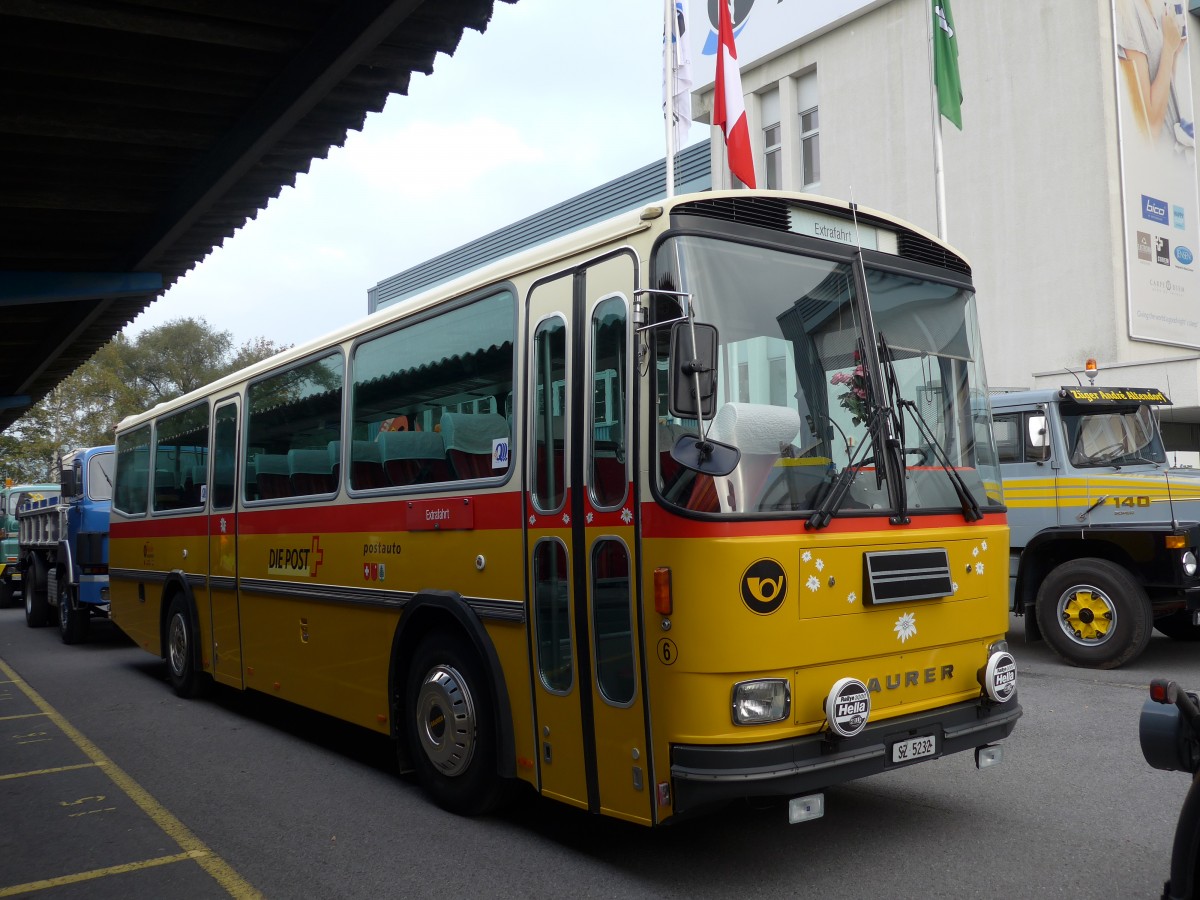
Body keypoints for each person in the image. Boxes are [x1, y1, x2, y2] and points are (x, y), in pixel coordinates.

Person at [1117, 0, 1192, 147]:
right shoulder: (1128, 11)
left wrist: (1174, 51)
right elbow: (1150, 127)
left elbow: (1165, 95)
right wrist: (1169, 48)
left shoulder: (1149, 6)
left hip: (1175, 155)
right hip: (1164, 161)